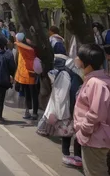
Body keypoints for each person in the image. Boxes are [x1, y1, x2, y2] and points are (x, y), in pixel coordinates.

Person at [37, 53, 83, 168]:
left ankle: (67, 155)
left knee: (66, 134)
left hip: (66, 110)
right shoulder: (74, 76)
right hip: (74, 110)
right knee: (75, 134)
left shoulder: (62, 75)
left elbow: (60, 96)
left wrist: (59, 112)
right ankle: (75, 156)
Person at [73, 44, 110, 176]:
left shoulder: (95, 83)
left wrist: (84, 131)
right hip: (97, 137)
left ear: (86, 63)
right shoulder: (99, 79)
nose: (76, 59)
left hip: (94, 139)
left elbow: (96, 114)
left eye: (79, 57)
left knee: (95, 172)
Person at [15, 33, 39, 120]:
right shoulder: (32, 48)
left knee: (27, 93)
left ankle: (28, 111)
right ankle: (34, 113)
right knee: (33, 93)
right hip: (32, 72)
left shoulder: (21, 48)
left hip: (24, 74)